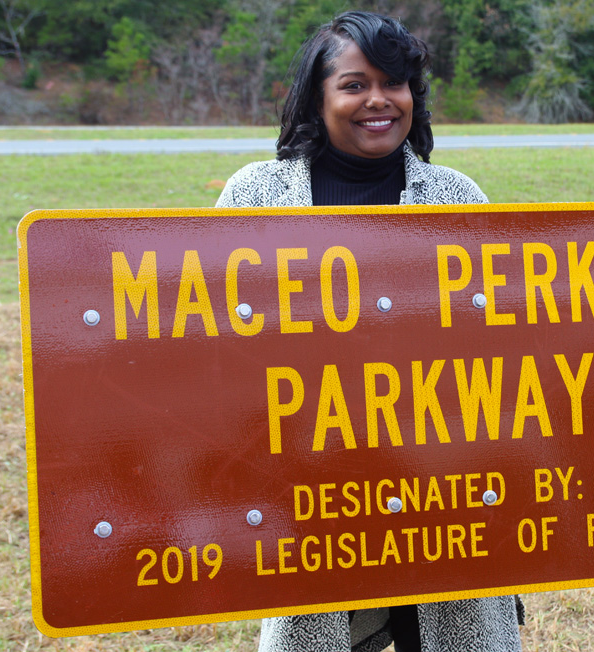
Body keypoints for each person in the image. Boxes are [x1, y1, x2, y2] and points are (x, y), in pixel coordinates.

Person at [216, 11, 523, 652]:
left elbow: (501, 349)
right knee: (315, 629)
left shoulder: (457, 197)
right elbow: (219, 347)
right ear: (317, 97)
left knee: (454, 627)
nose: (379, 100)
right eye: (354, 85)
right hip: (310, 489)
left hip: (440, 483)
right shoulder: (256, 195)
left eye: (394, 83)